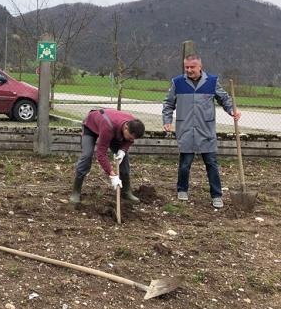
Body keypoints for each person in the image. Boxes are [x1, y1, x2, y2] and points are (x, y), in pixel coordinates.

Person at [162, 41, 241, 209]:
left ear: (200, 66)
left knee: (211, 163)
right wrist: (167, 120)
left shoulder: (212, 82)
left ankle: (217, 195)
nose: (189, 70)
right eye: (186, 67)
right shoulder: (177, 83)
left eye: (192, 67)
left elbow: (225, 99)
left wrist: (232, 110)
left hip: (206, 130)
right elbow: (168, 104)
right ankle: (182, 189)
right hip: (185, 129)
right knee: (185, 163)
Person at [70, 108, 145, 204]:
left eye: (133, 138)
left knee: (124, 158)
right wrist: (112, 174)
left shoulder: (133, 124)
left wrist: (123, 150)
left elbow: (129, 141)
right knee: (87, 156)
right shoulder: (108, 127)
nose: (131, 140)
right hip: (91, 126)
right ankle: (76, 192)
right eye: (130, 137)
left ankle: (126, 192)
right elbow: (101, 154)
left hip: (112, 129)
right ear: (126, 127)